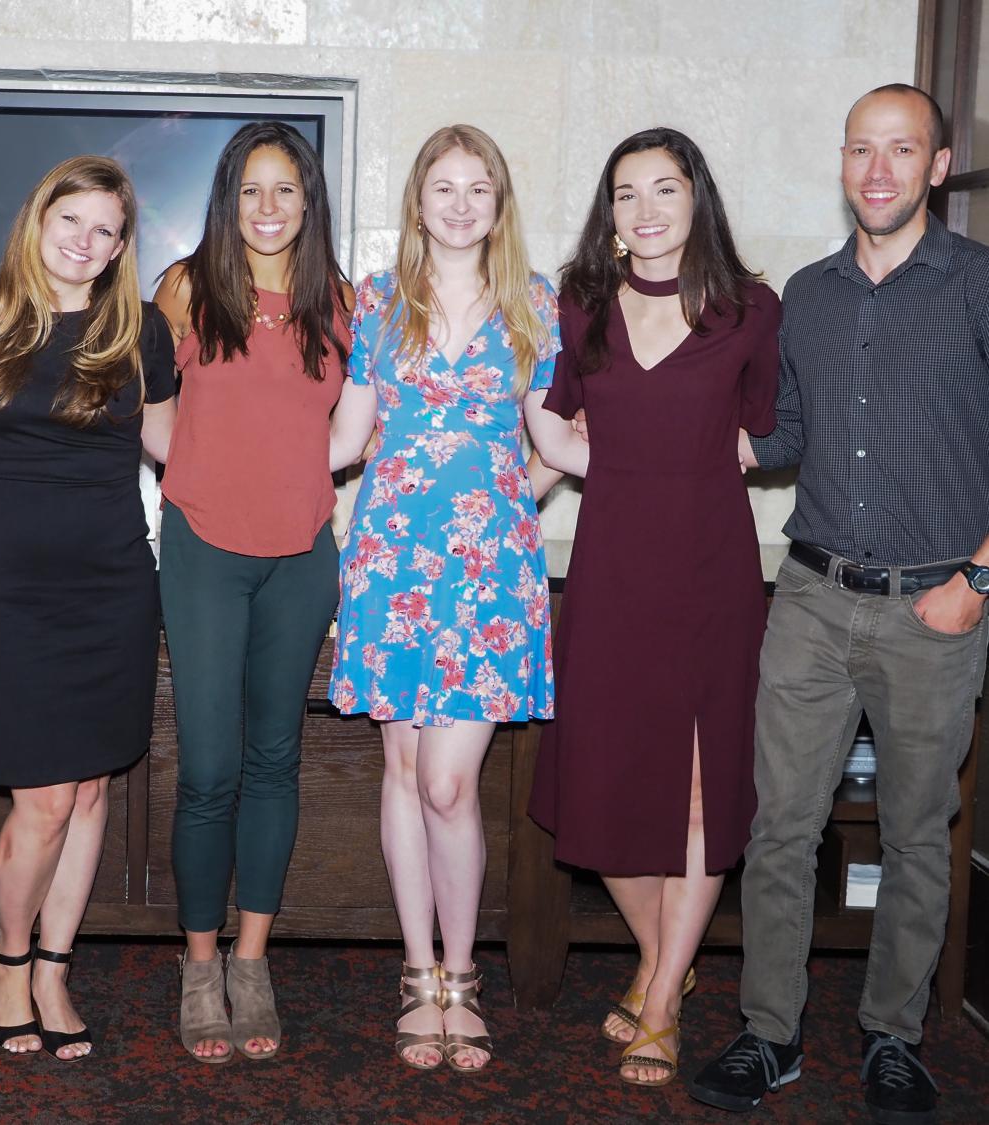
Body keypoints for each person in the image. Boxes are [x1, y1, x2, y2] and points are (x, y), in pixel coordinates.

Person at [688, 84, 989, 1124]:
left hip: (934, 608)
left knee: (914, 834)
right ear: (843, 159)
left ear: (937, 167)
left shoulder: (979, 287)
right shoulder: (806, 295)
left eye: (902, 151)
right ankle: (770, 1035)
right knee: (780, 829)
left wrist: (979, 582)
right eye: (862, 149)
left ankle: (893, 1039)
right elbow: (781, 439)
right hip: (810, 598)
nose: (878, 170)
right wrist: (672, 431)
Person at [522, 127, 781, 1087]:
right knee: (603, 780)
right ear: (610, 213)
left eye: (665, 189)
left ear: (696, 199)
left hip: (714, 573)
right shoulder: (581, 303)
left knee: (704, 791)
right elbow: (553, 419)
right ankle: (659, 955)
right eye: (626, 193)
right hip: (611, 571)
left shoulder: (753, 308)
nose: (646, 210)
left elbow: (772, 425)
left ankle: (663, 998)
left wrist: (708, 462)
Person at [328, 124, 560, 1073]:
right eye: (443, 188)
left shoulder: (534, 305)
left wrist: (502, 497)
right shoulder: (377, 301)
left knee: (448, 782)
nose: (461, 204)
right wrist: (243, 466)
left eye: (480, 189)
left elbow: (551, 439)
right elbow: (347, 436)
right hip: (390, 565)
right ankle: (418, 974)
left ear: (499, 204)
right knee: (400, 771)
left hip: (489, 580)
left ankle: (462, 978)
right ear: (416, 201)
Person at [0, 155, 176, 1062]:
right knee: (44, 799)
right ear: (36, 217)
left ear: (122, 247)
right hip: (10, 584)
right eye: (70, 220)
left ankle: (53, 966)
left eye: (106, 230)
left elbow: (176, 447)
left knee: (91, 789)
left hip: (115, 579)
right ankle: (7, 962)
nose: (85, 242)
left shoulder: (142, 330)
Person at [152, 121, 350, 1065]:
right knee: (209, 768)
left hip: (303, 555)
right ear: (227, 200)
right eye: (249, 191)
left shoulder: (340, 303)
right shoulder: (186, 290)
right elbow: (148, 415)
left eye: (286, 191)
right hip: (202, 551)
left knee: (277, 759)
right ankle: (199, 965)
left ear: (309, 202)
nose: (268, 209)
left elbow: (354, 429)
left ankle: (253, 961)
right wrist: (201, 473)